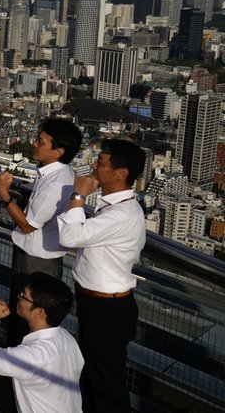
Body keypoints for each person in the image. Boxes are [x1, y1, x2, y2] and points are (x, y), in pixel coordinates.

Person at [58, 139, 146, 413]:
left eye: (102, 162)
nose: (95, 165)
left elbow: (69, 236)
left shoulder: (121, 214)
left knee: (106, 383)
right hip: (98, 303)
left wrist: (78, 195)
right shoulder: (115, 207)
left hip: (107, 308)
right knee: (95, 374)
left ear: (122, 174)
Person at [0, 117, 82, 343]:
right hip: (35, 256)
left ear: (58, 151)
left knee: (29, 320)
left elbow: (27, 225)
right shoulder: (54, 174)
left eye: (41, 141)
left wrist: (4, 194)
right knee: (23, 314)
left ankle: (17, 367)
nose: (34, 144)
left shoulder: (56, 183)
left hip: (37, 259)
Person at [0, 272, 84, 413]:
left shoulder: (30, 356)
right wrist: (1, 367)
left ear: (39, 312)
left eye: (23, 295)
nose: (19, 297)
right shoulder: (67, 338)